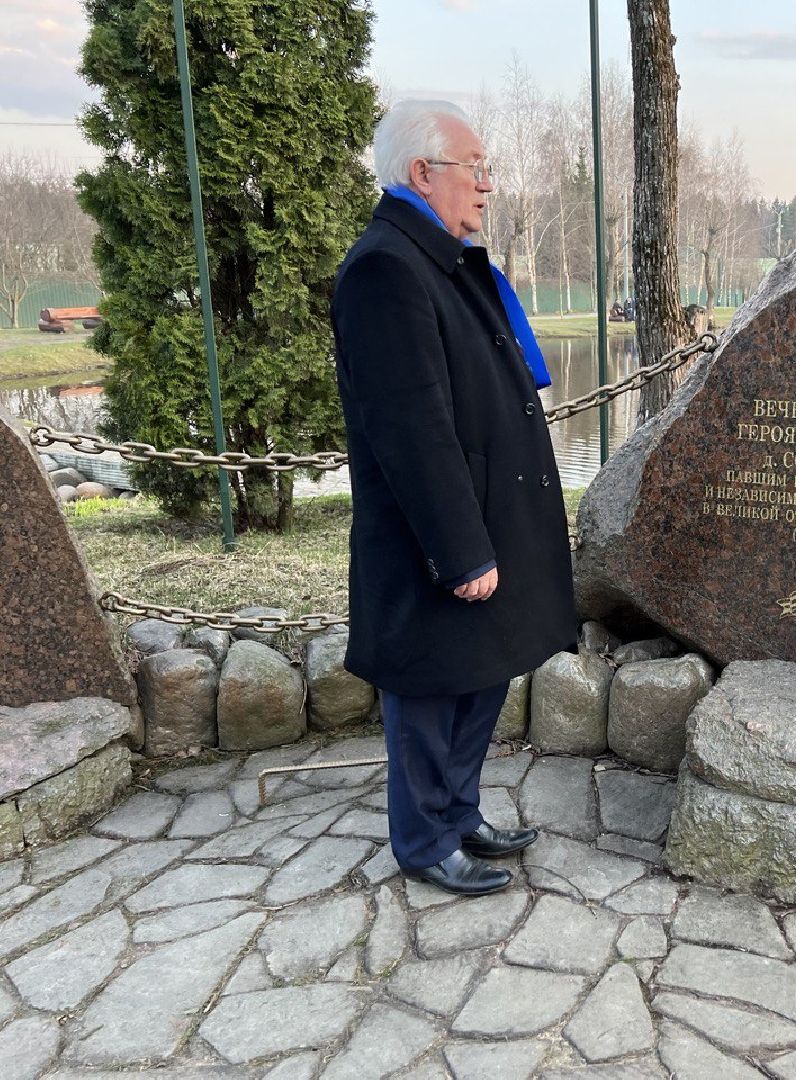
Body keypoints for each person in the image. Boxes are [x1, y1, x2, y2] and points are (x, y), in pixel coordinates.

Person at [330, 100, 576, 895]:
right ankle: (424, 840)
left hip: (487, 513)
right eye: (476, 168)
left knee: (482, 671)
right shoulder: (385, 270)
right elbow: (411, 427)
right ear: (422, 172)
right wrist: (461, 548)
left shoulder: (441, 259)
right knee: (432, 689)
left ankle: (458, 812)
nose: (488, 185)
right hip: (438, 533)